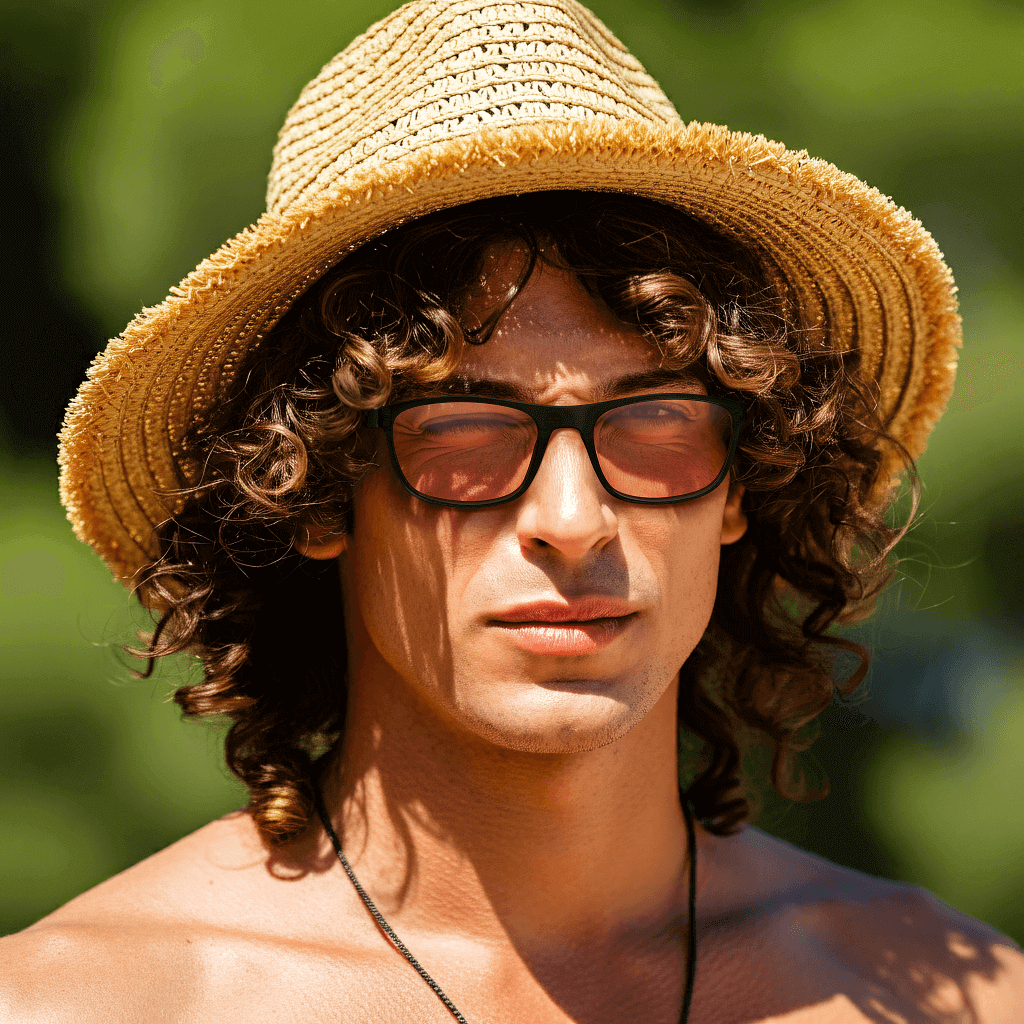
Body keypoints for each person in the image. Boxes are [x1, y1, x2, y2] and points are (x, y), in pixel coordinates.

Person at [2, 0, 1022, 1020]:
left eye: (654, 425)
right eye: (461, 433)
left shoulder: (949, 997)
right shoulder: (81, 1004)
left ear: (737, 485)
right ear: (312, 490)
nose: (573, 520)